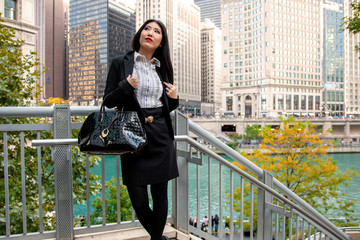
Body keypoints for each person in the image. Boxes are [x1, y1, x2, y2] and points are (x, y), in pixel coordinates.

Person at [103, 19, 179, 240]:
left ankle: (156, 239)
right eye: (147, 29)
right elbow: (108, 101)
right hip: (132, 133)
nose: (151, 33)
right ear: (139, 34)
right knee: (138, 197)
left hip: (161, 134)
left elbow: (165, 106)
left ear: (160, 42)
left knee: (160, 194)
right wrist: (125, 87)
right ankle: (159, 238)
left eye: (157, 32)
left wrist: (175, 99)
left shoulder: (162, 67)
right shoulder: (121, 63)